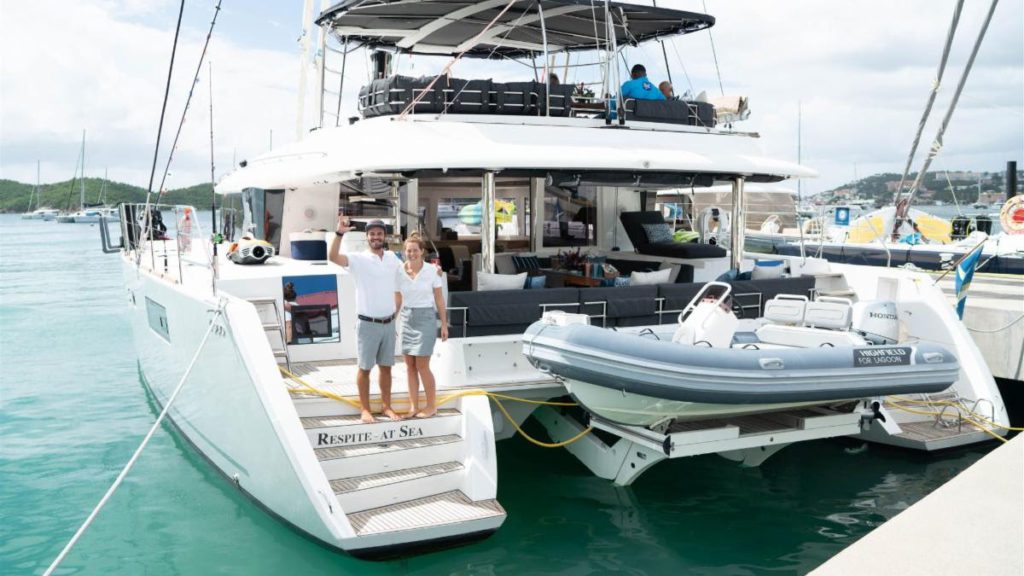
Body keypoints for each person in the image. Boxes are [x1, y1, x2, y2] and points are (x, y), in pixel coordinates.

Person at [330, 216, 403, 423]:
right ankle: (365, 409)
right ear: (367, 237)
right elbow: (333, 257)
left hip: (388, 324)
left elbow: (407, 274)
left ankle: (387, 407)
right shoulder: (358, 259)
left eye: (379, 233)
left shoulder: (392, 258)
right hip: (367, 323)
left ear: (384, 236)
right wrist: (339, 234)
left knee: (387, 368)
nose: (376, 237)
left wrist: (434, 269)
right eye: (372, 234)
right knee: (365, 369)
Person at [395, 233, 448, 418]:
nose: (411, 253)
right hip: (406, 318)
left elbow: (439, 299)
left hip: (426, 317)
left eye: (415, 250)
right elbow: (398, 299)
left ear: (422, 252)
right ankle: (414, 407)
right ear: (404, 252)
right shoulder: (399, 271)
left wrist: (444, 324)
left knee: (422, 365)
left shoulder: (432, 271)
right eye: (408, 250)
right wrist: (393, 323)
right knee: (409, 365)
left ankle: (431, 405)